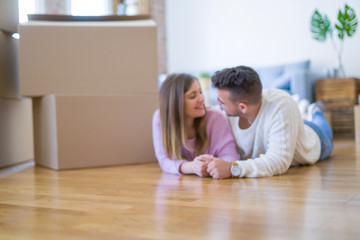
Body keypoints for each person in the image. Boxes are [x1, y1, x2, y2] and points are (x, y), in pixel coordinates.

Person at [205, 65, 333, 179]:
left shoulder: (280, 104)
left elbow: (278, 161)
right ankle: (306, 113)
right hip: (287, 126)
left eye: (221, 102)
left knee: (321, 122)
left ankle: (315, 110)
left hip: (316, 141)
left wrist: (232, 169)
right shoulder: (226, 113)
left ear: (243, 107)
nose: (217, 104)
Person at [152, 73, 240, 176]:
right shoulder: (161, 118)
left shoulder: (216, 117)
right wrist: (193, 167)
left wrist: (214, 165)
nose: (202, 98)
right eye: (192, 96)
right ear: (176, 103)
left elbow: (231, 156)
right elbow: (164, 160)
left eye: (200, 92)